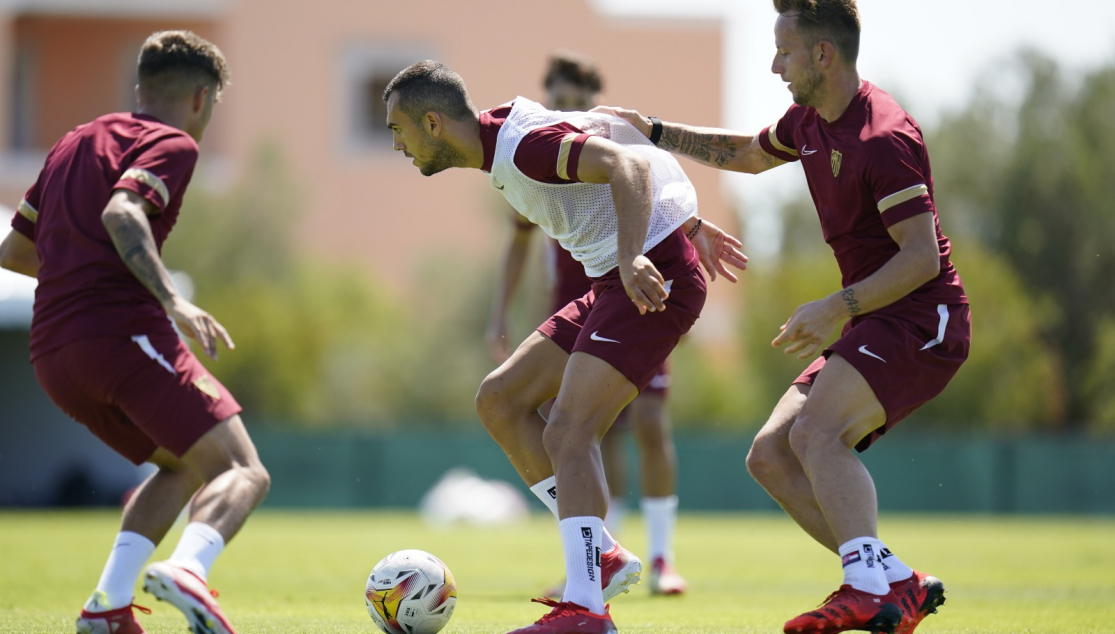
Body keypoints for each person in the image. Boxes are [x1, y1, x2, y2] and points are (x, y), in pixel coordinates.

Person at [595, 1, 969, 632]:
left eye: (784, 52)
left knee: (815, 436)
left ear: (823, 54)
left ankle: (864, 586)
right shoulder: (810, 121)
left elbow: (923, 260)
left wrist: (835, 307)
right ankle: (893, 582)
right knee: (769, 454)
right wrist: (653, 131)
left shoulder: (884, 137)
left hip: (923, 321)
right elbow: (746, 152)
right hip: (876, 320)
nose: (774, 65)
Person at [384, 61, 746, 634]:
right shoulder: (500, 134)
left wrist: (637, 253)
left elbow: (626, 163)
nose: (396, 144)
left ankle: (586, 610)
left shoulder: (521, 146)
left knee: (568, 431)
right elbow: (606, 127)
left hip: (652, 278)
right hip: (617, 279)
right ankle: (599, 554)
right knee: (500, 400)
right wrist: (690, 220)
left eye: (397, 129)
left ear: (431, 123)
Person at [0, 31, 269, 634]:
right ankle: (189, 570)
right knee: (243, 470)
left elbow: (14, 252)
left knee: (182, 466)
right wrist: (172, 299)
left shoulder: (74, 141)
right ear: (201, 99)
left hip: (52, 354)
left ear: (140, 86)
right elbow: (123, 211)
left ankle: (107, 606)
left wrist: (80, 273)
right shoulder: (171, 142)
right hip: (119, 334)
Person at [484, 51, 686, 597]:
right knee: (588, 433)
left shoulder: (600, 149)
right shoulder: (535, 159)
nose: (567, 109)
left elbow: (651, 186)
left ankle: (658, 558)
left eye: (578, 102)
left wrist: (693, 227)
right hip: (578, 302)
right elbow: (518, 245)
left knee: (646, 423)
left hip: (634, 290)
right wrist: (500, 315)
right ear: (546, 100)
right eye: (559, 100)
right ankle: (599, 551)